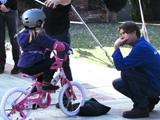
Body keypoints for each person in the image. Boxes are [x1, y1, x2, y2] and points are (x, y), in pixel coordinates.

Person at [112, 21, 160, 118]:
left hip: (156, 86)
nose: (122, 37)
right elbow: (125, 64)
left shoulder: (141, 47)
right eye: (121, 34)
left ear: (134, 32)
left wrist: (116, 47)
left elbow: (120, 66)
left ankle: (141, 107)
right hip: (154, 83)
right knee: (118, 83)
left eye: (124, 33)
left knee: (126, 73)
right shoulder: (140, 45)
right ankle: (149, 101)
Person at [17, 8, 73, 91]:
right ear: (38, 22)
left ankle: (37, 101)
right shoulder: (39, 34)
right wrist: (66, 48)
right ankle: (47, 84)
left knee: (41, 78)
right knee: (55, 60)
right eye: (43, 21)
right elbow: (53, 44)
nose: (44, 23)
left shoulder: (24, 34)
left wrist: (44, 48)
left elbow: (33, 46)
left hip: (24, 65)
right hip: (32, 65)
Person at [41, 0, 73, 107]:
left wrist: (57, 0)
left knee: (63, 65)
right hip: (46, 34)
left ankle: (67, 98)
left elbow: (67, 1)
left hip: (60, 35)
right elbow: (44, 10)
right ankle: (39, 94)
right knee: (42, 63)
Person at [0, 0, 21, 74]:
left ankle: (18, 63)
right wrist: (1, 6)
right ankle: (1, 63)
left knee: (14, 39)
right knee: (0, 39)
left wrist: (6, 5)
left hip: (11, 10)